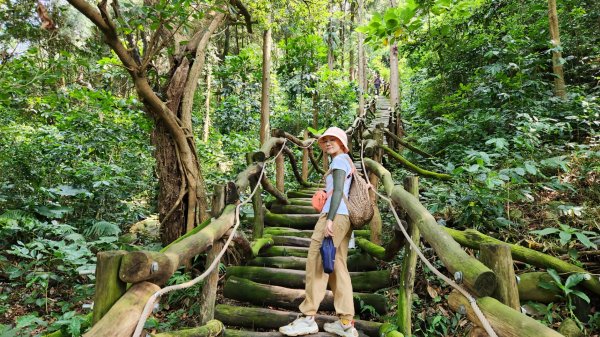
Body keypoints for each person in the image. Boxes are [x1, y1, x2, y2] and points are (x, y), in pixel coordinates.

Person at [279, 127, 359, 337]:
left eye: (334, 139)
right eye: (326, 140)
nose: (329, 143)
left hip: (335, 217)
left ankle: (308, 318)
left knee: (315, 261)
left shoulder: (339, 160)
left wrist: (330, 219)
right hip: (345, 217)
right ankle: (345, 322)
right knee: (338, 266)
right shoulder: (346, 160)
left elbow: (340, 191)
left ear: (342, 143)